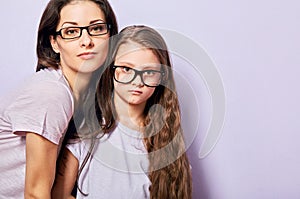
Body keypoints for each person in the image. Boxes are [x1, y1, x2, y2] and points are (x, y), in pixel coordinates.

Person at [52, 25, 192, 198]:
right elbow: (59, 194)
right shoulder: (87, 128)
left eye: (149, 72)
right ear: (110, 69)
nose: (137, 82)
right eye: (126, 69)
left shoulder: (167, 141)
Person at [0, 0, 118, 198]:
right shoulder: (52, 93)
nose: (86, 41)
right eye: (71, 32)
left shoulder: (89, 97)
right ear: (54, 42)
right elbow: (36, 194)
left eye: (96, 28)